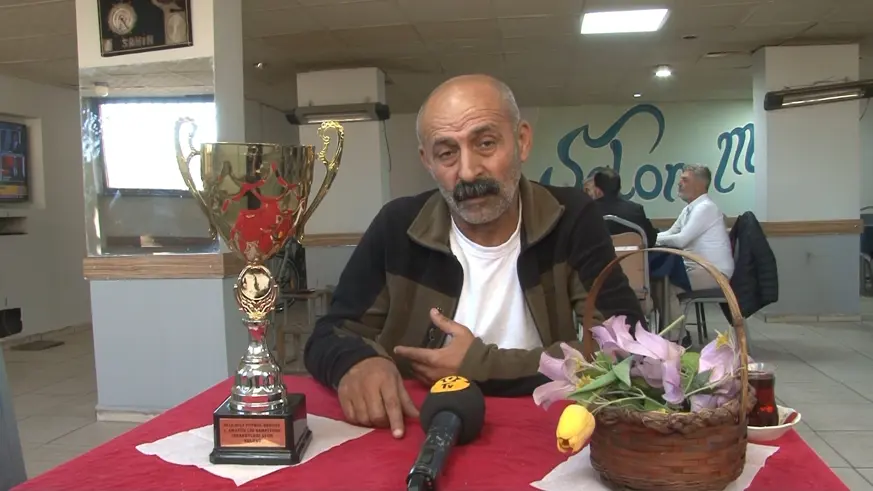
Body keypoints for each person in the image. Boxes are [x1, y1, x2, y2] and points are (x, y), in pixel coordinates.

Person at [304, 74, 645, 439]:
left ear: (522, 141)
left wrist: (481, 365)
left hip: (539, 428)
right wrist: (356, 362)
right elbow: (329, 334)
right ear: (427, 161)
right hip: (416, 428)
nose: (468, 172)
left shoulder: (571, 216)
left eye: (485, 144)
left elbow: (626, 345)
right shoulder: (397, 226)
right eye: (447, 153)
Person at [655, 164, 734, 338]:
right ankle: (673, 335)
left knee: (663, 286)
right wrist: (648, 237)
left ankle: (678, 337)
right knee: (659, 282)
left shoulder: (705, 207)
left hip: (713, 272)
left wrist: (651, 239)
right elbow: (670, 233)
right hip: (698, 268)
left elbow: (681, 240)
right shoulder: (690, 209)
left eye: (685, 180)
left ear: (699, 185)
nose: (679, 183)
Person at [584, 168, 658, 248]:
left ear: (597, 191)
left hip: (599, 256)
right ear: (619, 188)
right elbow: (650, 240)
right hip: (632, 256)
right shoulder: (636, 210)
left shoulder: (586, 212)